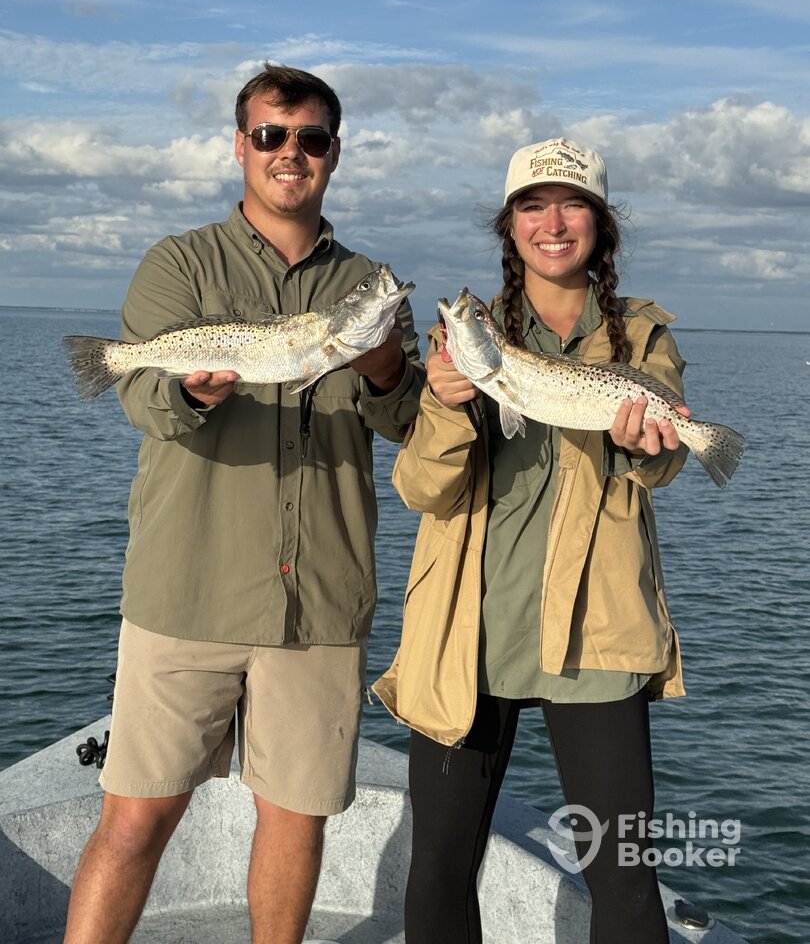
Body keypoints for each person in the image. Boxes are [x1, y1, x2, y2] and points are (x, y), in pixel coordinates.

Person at [64, 64, 425, 944]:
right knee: (136, 818)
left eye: (311, 138)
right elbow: (143, 403)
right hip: (186, 590)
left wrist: (384, 368)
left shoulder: (368, 285)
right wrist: (188, 390)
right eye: (272, 135)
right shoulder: (179, 262)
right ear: (241, 146)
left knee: (296, 820)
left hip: (321, 599)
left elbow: (410, 422)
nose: (290, 153)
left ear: (333, 152)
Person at [373, 137, 691, 944]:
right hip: (466, 630)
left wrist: (648, 445)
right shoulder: (463, 340)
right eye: (533, 207)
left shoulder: (643, 337)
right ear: (509, 227)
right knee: (440, 869)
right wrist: (446, 403)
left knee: (625, 880)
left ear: (601, 225)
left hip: (598, 633)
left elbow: (663, 468)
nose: (553, 223)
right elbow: (422, 489)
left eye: (573, 204)